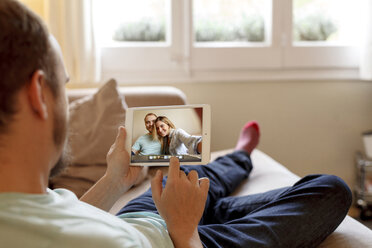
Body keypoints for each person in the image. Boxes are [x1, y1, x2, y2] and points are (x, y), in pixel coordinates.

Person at [0, 1, 352, 247]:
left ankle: (237, 160)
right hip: (181, 240)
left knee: (187, 176)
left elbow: (68, 219)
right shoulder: (109, 243)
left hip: (134, 220)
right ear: (38, 94)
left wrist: (113, 181)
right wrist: (184, 231)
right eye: (63, 84)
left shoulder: (19, 200)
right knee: (331, 189)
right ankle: (214, 203)